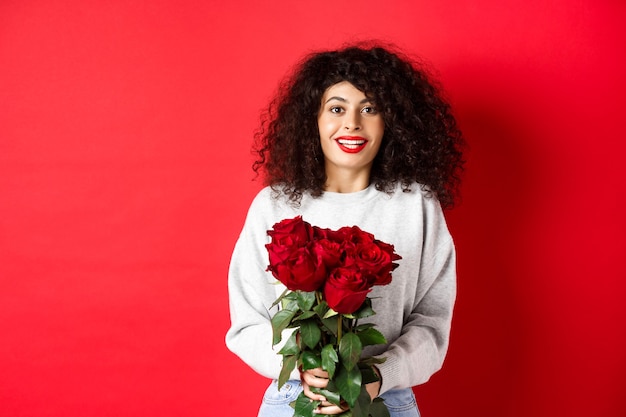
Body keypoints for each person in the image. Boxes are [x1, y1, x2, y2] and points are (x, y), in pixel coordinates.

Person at [225, 42, 465, 417]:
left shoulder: (415, 205)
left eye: (369, 109)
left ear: (391, 121)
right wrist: (303, 368)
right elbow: (247, 323)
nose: (352, 123)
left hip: (387, 400)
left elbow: (431, 324)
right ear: (313, 120)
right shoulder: (273, 206)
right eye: (337, 109)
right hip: (293, 400)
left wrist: (377, 376)